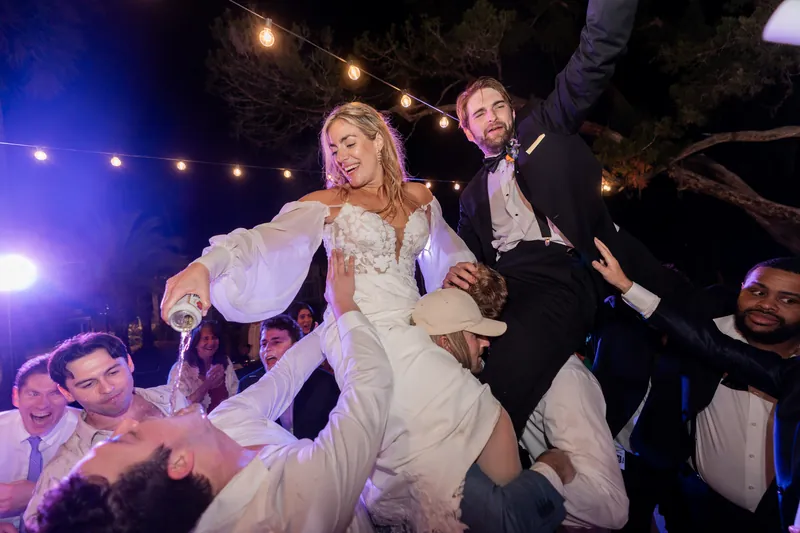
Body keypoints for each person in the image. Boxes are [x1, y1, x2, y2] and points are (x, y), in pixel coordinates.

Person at [160, 101, 520, 530]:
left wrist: (460, 271)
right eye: (333, 150)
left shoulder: (421, 197)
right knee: (458, 425)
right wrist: (207, 265)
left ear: (379, 141)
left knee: (487, 421)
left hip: (415, 325)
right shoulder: (328, 203)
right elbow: (266, 241)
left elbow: (446, 254)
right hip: (357, 330)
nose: (341, 157)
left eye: (349, 143)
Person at [445, 0, 688, 436]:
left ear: (512, 111)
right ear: (466, 130)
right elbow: (467, 256)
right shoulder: (470, 198)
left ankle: (476, 460)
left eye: (498, 106)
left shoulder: (545, 127)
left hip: (561, 274)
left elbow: (592, 61)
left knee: (506, 364)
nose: (492, 117)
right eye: (478, 113)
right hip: (505, 284)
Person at [34, 250, 393, 533]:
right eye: (126, 441)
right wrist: (346, 308)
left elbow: (286, 374)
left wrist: (334, 313)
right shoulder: (295, 501)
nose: (128, 424)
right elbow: (370, 390)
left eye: (111, 372)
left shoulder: (221, 420)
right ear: (178, 463)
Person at [592, 239, 800, 532]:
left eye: (789, 299)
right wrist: (626, 285)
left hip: (777, 519)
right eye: (757, 291)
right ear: (741, 288)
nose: (767, 304)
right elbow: (699, 338)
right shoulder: (705, 330)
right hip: (696, 504)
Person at [418, 282, 628, 530]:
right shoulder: (463, 387)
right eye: (477, 334)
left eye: (491, 334)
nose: (487, 343)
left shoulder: (565, 380)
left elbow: (612, 507)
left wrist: (541, 476)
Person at [23, 333, 187, 529]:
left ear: (129, 363)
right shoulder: (68, 468)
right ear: (66, 393)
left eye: (113, 372)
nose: (107, 388)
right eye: (88, 383)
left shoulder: (173, 397)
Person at [0, 355, 78, 532]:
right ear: (15, 397)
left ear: (68, 395)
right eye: (33, 393)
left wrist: (40, 493)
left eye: (55, 393)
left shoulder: (89, 433)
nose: (43, 405)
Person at [238, 315, 340, 440]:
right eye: (263, 344)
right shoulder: (248, 385)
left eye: (276, 342)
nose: (267, 349)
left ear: (296, 348)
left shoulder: (325, 384)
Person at [168, 320, 238, 413]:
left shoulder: (225, 361)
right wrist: (207, 385)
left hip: (226, 421)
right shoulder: (180, 370)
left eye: (214, 337)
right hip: (195, 425)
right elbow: (178, 407)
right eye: (206, 338)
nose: (211, 342)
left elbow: (235, 393)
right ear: (195, 343)